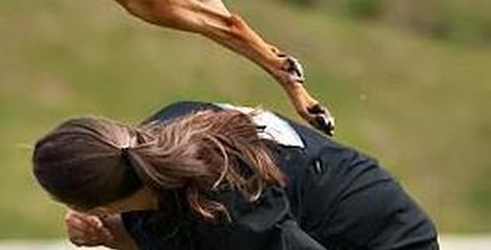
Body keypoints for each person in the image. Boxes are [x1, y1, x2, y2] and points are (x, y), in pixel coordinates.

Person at [32, 100, 438, 250]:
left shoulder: (233, 214)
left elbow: (210, 231)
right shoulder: (156, 139)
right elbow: (176, 230)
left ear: (92, 203)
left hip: (386, 240)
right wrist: (109, 234)